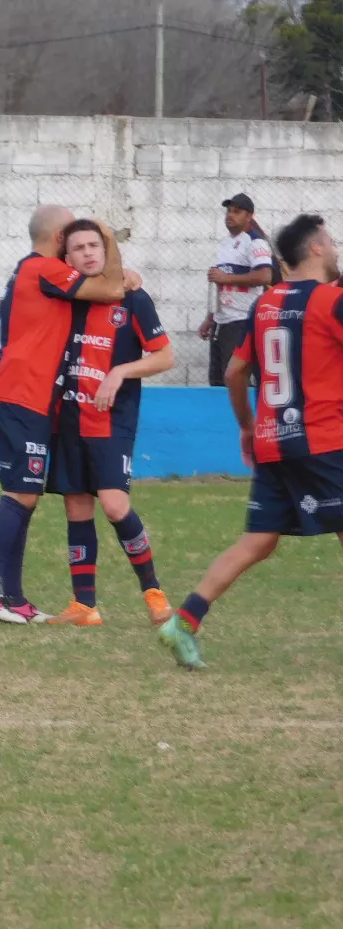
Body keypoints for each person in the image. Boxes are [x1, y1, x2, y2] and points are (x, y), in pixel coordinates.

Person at [159, 214, 343, 670]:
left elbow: (234, 372)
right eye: (332, 240)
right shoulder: (330, 301)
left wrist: (246, 426)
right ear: (316, 248)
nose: (336, 247)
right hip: (321, 439)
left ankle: (183, 621)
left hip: (272, 440)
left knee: (258, 541)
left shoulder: (265, 304)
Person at [0, 205, 128, 624]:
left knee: (25, 495)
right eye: (75, 240)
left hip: (24, 398)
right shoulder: (46, 269)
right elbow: (110, 290)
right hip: (20, 396)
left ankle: (15, 597)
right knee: (20, 494)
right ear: (60, 240)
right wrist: (110, 241)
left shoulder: (35, 272)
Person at [45, 219, 176, 627]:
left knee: (115, 505)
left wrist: (119, 372)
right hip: (69, 419)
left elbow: (164, 356)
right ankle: (84, 606)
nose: (87, 253)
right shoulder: (63, 295)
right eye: (78, 247)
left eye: (94, 246)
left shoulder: (131, 298)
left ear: (106, 252)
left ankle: (154, 594)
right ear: (65, 258)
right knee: (77, 507)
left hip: (110, 422)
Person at [200, 193, 273, 387]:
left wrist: (226, 277)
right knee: (216, 380)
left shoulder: (255, 242)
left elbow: (265, 276)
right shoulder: (225, 243)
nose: (230, 215)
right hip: (221, 321)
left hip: (241, 320)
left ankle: (243, 417)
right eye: (228, 211)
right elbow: (220, 283)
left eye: (236, 212)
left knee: (234, 379)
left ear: (249, 216)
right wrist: (210, 318)